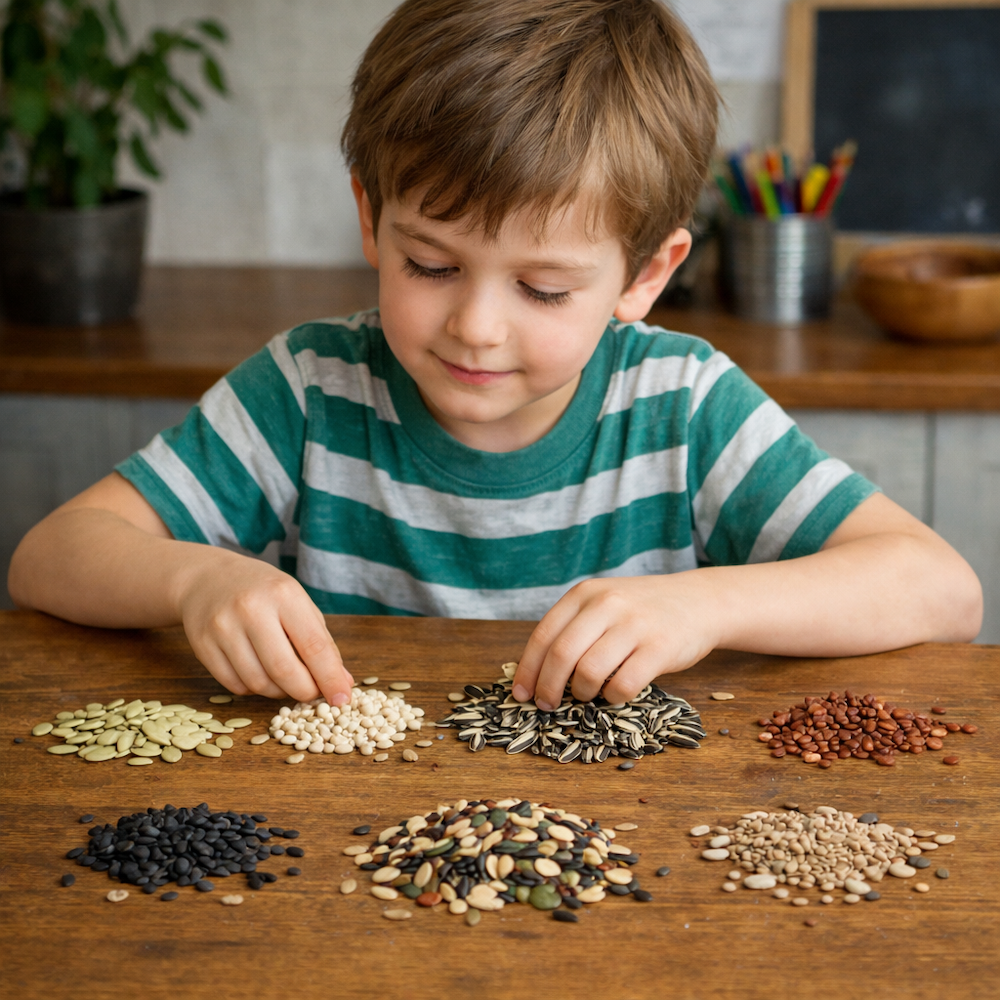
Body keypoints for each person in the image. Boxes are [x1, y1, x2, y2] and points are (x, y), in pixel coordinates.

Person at [8, 0, 981, 715]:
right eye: (428, 263)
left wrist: (710, 604)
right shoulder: (308, 388)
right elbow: (49, 557)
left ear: (645, 275)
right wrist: (195, 581)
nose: (475, 325)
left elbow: (941, 590)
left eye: (543, 289)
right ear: (368, 218)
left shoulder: (681, 405)